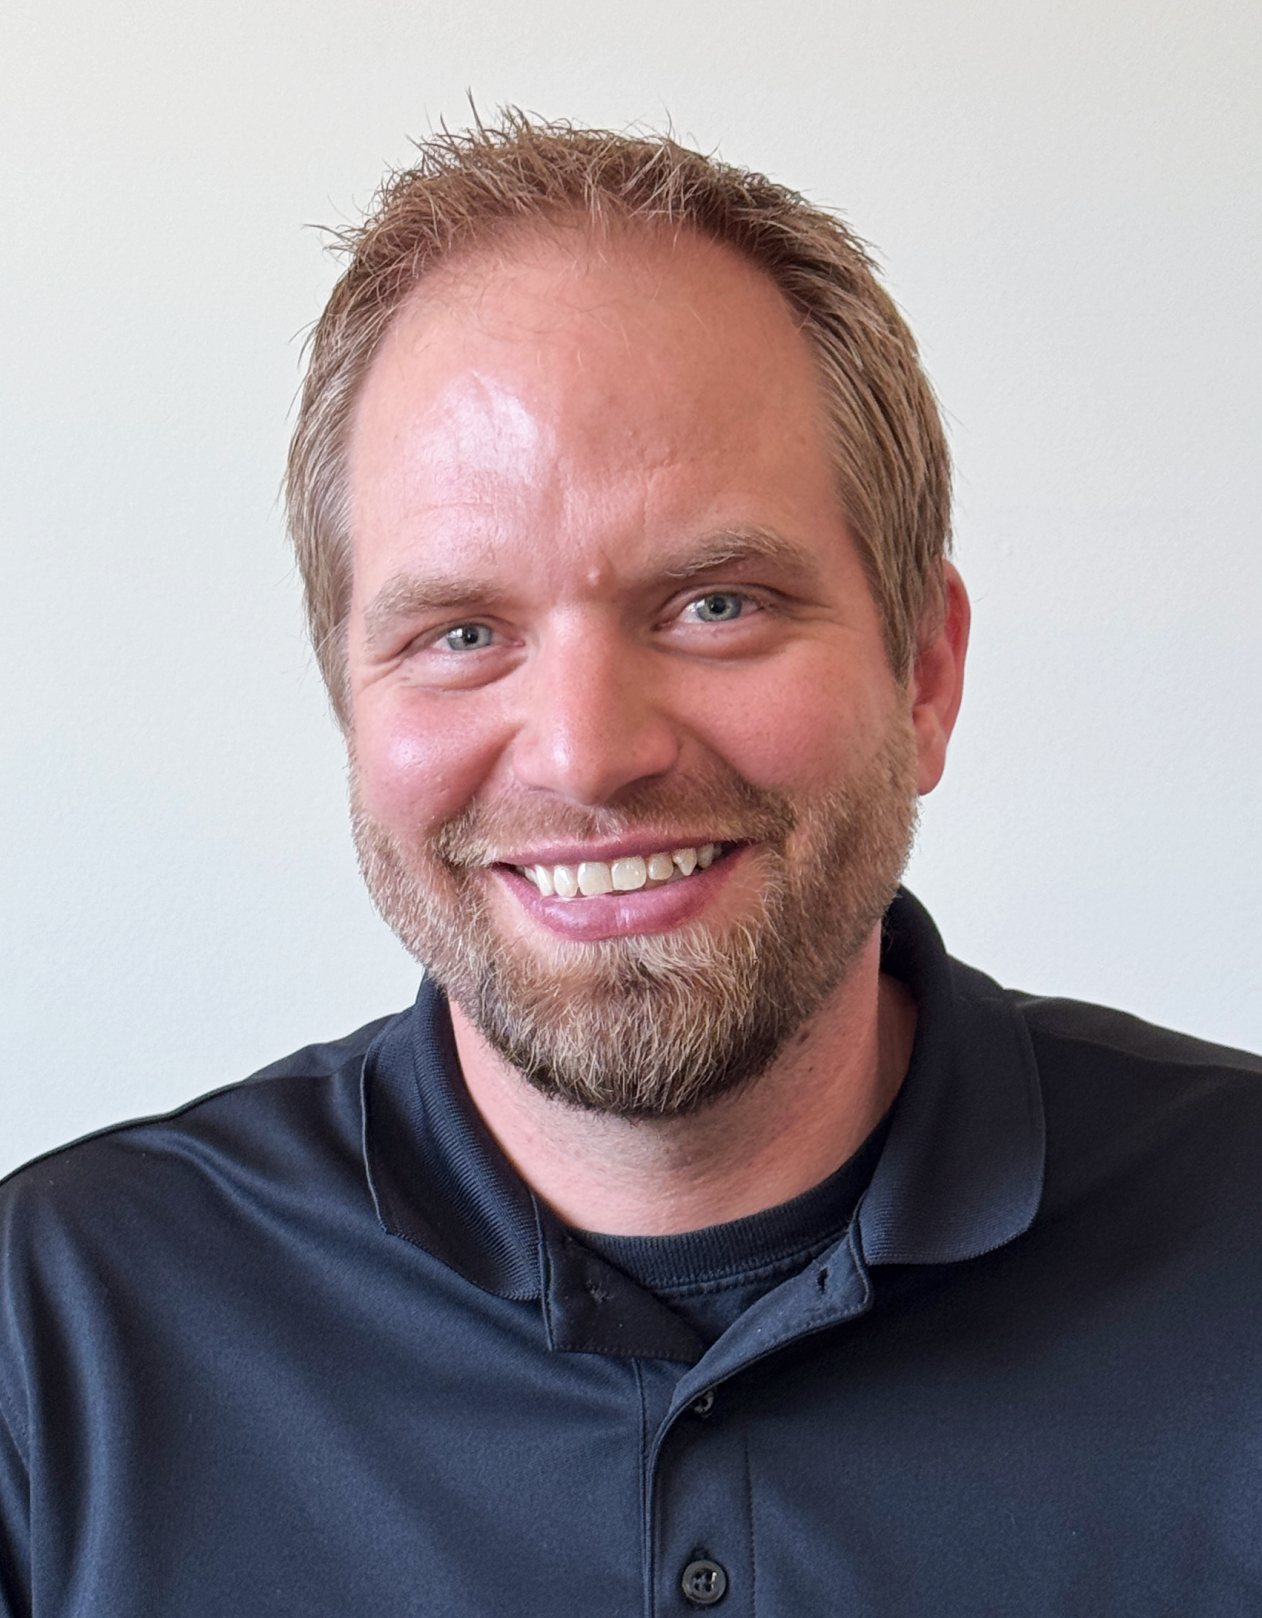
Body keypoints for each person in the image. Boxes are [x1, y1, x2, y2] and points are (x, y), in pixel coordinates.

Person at [2, 115, 1260, 1618]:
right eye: (461, 633)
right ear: (352, 699)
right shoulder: (51, 1343)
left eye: (715, 602)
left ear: (921, 673)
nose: (585, 754)